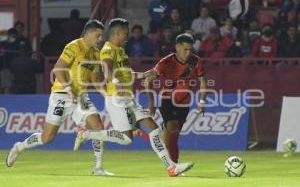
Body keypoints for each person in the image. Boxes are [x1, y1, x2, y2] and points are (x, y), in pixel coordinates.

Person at [6, 20, 131, 176]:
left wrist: (108, 96)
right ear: (88, 33)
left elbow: (94, 80)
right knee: (47, 138)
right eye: (98, 35)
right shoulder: (73, 47)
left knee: (98, 126)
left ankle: (98, 168)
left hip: (80, 97)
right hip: (61, 95)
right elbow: (58, 69)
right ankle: (20, 146)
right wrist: (69, 89)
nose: (100, 39)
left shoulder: (95, 53)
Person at [74, 18, 194, 177]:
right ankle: (87, 134)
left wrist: (142, 75)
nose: (127, 36)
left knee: (154, 129)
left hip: (129, 98)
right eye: (125, 33)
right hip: (116, 98)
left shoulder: (121, 51)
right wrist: (115, 81)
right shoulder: (107, 49)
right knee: (126, 138)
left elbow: (126, 74)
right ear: (117, 32)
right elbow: (107, 69)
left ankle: (171, 167)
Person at [145, 33, 207, 164]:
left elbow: (203, 81)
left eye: (190, 50)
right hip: (167, 100)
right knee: (173, 127)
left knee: (172, 137)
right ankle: (175, 166)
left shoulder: (196, 61)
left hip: (184, 102)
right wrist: (151, 102)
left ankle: (151, 136)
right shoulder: (166, 62)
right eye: (185, 50)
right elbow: (148, 81)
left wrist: (202, 101)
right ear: (177, 47)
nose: (188, 53)